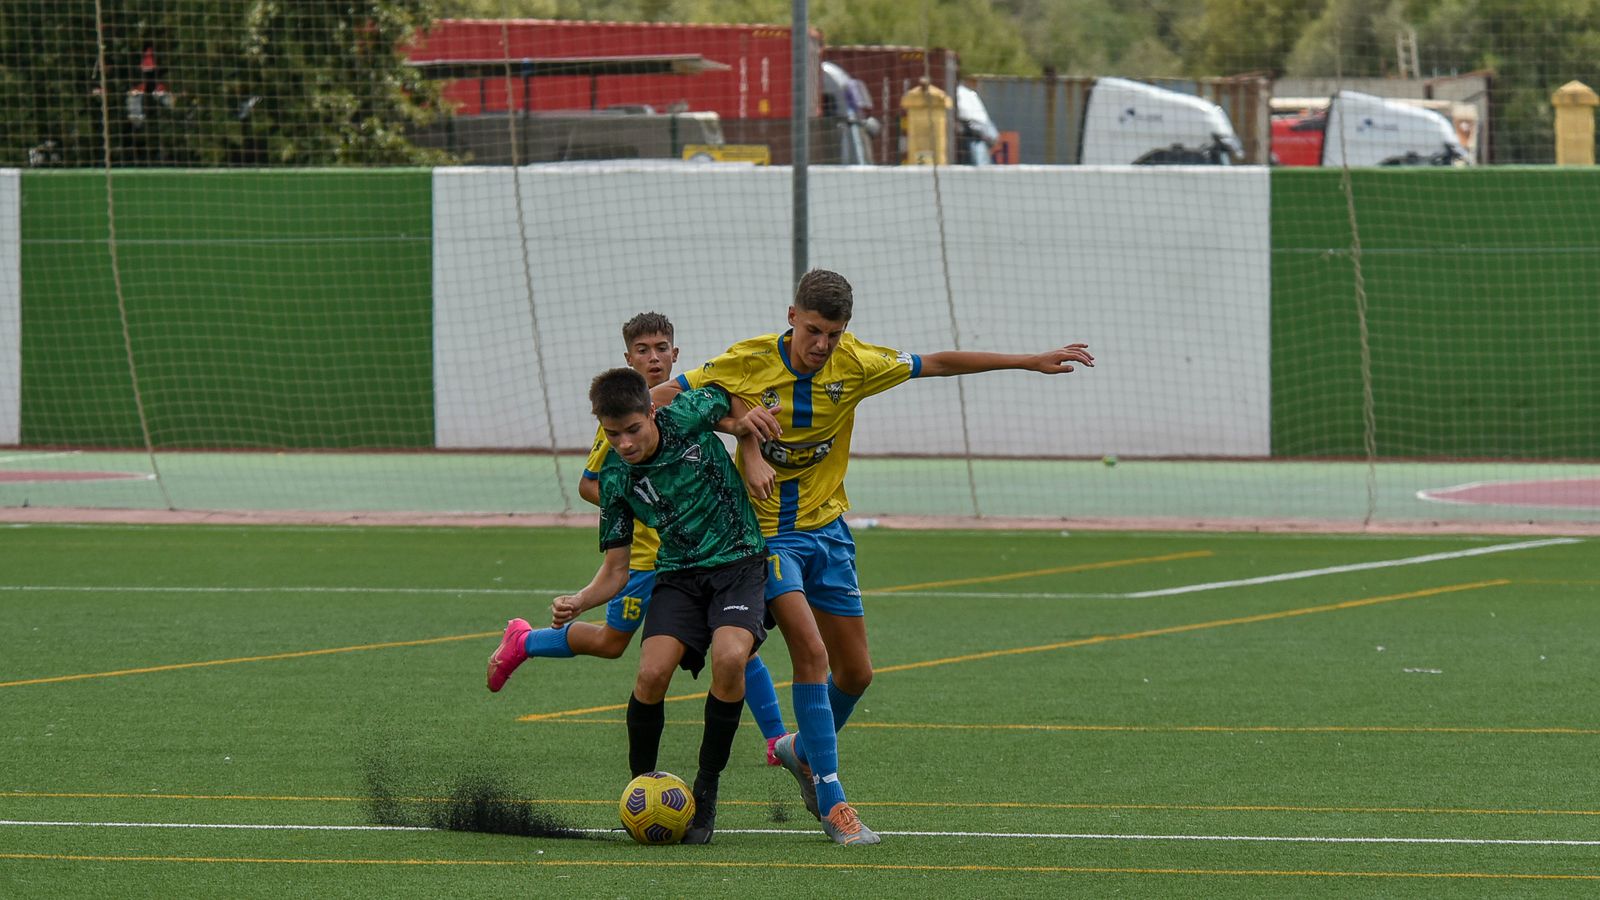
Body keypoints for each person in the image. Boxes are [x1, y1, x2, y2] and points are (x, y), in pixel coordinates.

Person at [665, 268, 1093, 819]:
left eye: (834, 334)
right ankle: (832, 798)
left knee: (857, 673)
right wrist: (738, 428)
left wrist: (1028, 360)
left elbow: (935, 362)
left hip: (828, 531)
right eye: (813, 330)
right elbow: (667, 401)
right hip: (767, 537)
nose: (822, 345)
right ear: (792, 317)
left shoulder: (857, 364)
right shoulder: (745, 361)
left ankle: (800, 749)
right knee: (811, 655)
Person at [487, 313, 790, 766]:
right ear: (628, 358)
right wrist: (654, 508)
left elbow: (735, 408)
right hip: (650, 557)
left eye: (662, 347)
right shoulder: (617, 423)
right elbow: (593, 485)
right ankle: (525, 641)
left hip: (703, 557)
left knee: (734, 647)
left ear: (676, 354)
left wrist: (736, 435)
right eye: (643, 350)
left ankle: (775, 737)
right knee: (613, 645)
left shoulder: (684, 405)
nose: (654, 357)